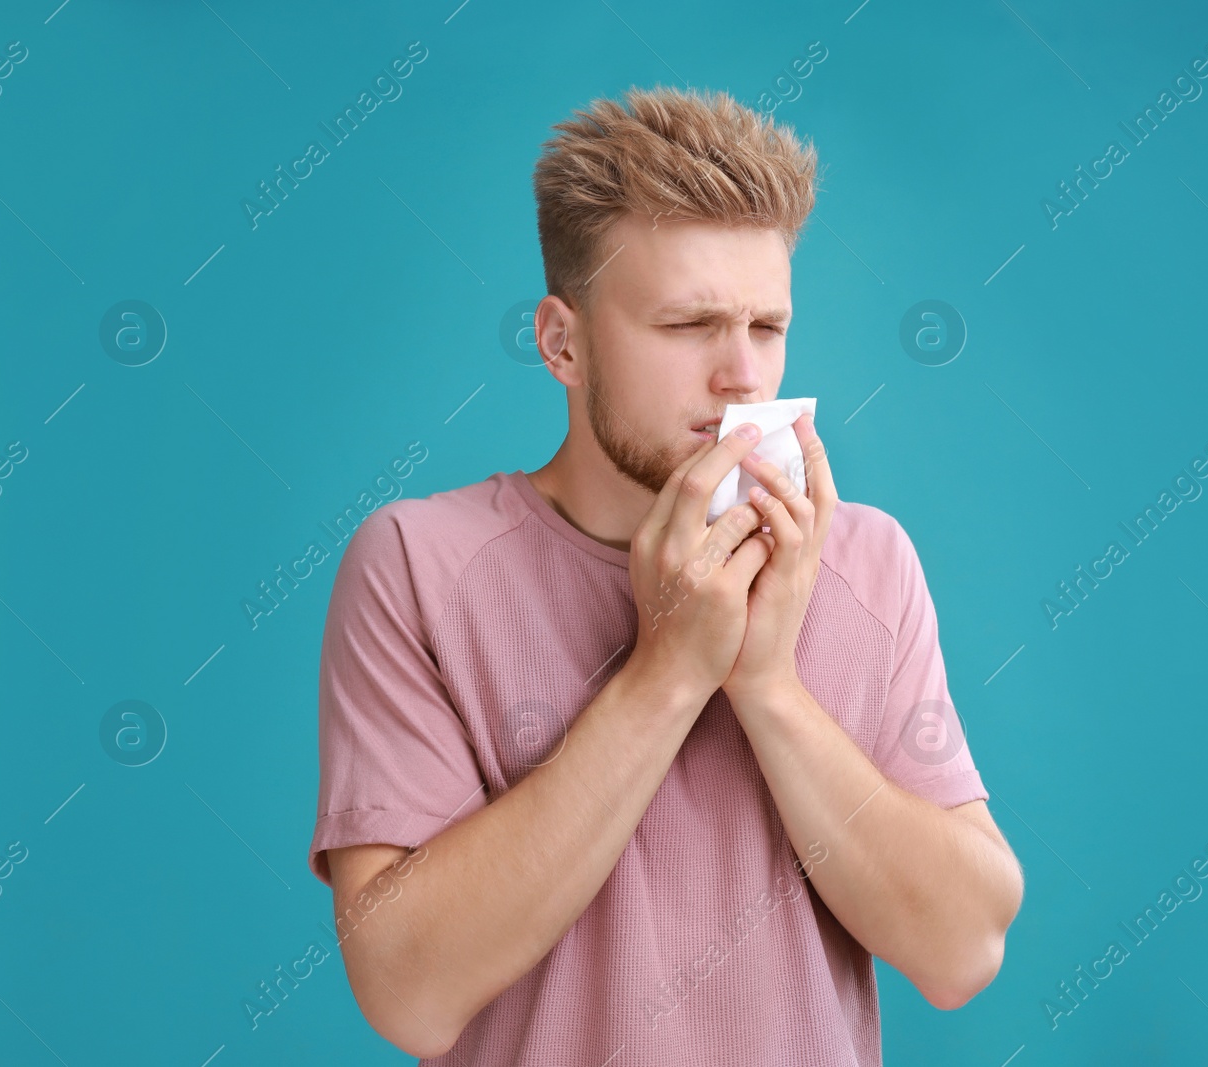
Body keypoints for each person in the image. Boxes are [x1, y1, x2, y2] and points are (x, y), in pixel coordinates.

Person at [307, 84, 1024, 1066]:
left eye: (765, 327)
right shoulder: (416, 564)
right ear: (563, 342)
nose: (741, 375)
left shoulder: (864, 560)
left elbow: (961, 948)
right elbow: (407, 991)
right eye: (688, 326)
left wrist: (767, 683)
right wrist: (667, 672)